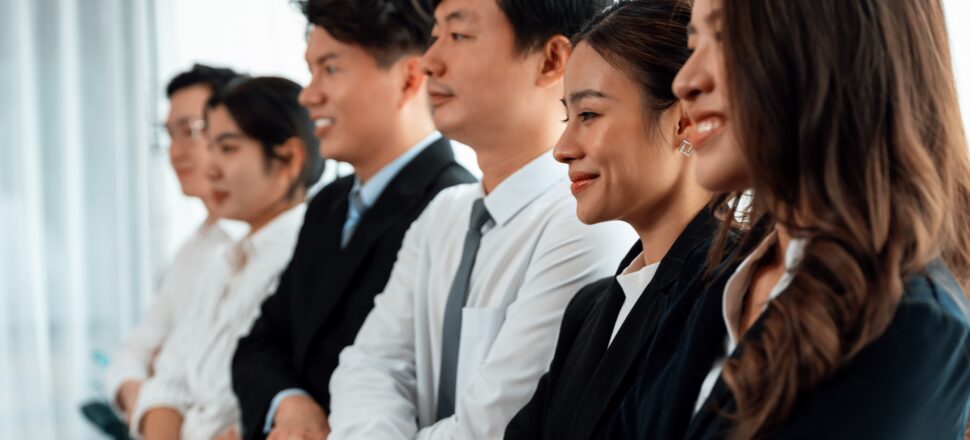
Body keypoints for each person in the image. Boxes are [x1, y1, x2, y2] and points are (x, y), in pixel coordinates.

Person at [612, 0, 970, 438]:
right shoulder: (712, 278)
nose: (685, 81)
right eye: (692, 45)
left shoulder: (913, 329)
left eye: (725, 39)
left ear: (836, 47)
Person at [326, 0, 635, 438]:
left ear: (551, 61)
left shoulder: (588, 220)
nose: (429, 61)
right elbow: (369, 364)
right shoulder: (444, 213)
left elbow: (496, 426)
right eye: (434, 35)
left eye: (459, 35)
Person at [230, 1, 476, 439]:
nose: (308, 95)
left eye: (330, 68)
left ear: (408, 78)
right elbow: (259, 343)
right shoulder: (329, 203)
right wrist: (288, 403)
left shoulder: (452, 206)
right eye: (311, 70)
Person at [503, 2, 734, 438]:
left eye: (588, 115)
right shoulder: (590, 309)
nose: (562, 147)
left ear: (683, 119)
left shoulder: (729, 295)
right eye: (567, 117)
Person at [131, 77, 325, 440]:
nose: (210, 168)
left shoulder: (304, 261)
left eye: (228, 148)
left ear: (288, 159)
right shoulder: (221, 261)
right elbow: (165, 386)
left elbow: (230, 406)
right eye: (211, 148)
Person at [103, 64, 241, 424]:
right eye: (169, 135)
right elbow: (133, 354)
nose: (176, 152)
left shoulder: (262, 244)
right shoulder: (192, 249)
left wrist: (157, 386)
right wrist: (142, 401)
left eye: (190, 131)